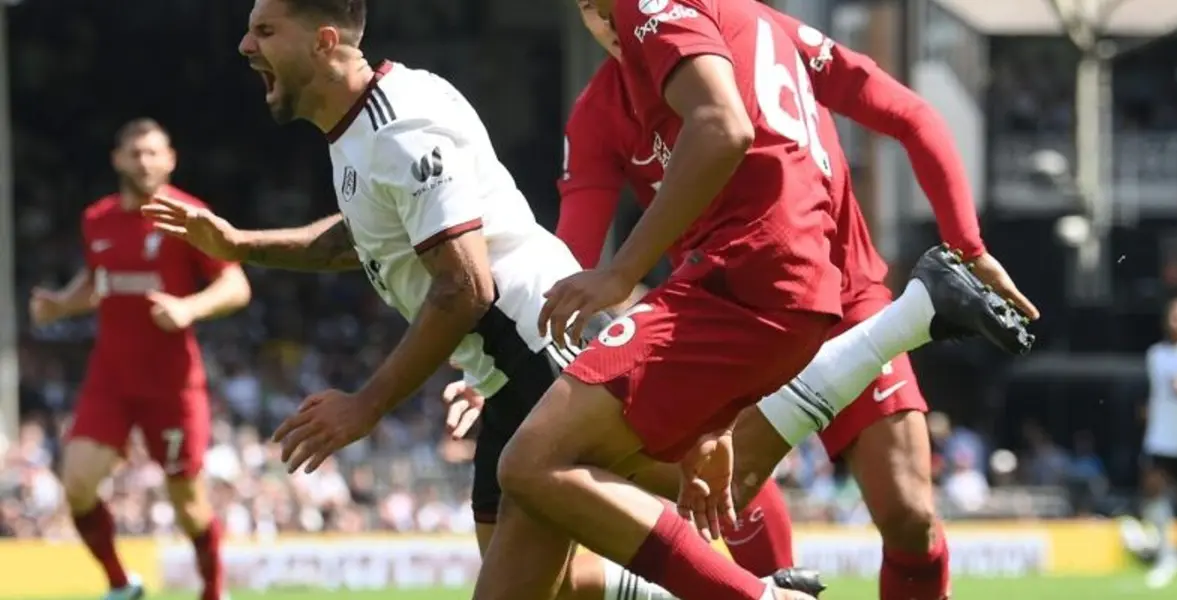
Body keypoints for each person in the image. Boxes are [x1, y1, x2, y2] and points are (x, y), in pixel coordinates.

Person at [141, 1, 818, 596]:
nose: (244, 46)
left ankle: (766, 584)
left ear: (324, 41)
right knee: (564, 577)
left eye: (264, 29)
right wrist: (239, 244)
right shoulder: (361, 129)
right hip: (508, 373)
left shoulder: (399, 128)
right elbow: (365, 240)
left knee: (671, 496)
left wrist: (366, 405)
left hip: (540, 350)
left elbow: (465, 287)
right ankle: (763, 581)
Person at [454, 1, 1036, 598]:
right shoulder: (604, 108)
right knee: (700, 482)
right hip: (725, 298)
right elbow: (573, 252)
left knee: (908, 514)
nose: (603, 22)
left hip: (811, 290)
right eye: (585, 11)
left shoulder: (733, 26)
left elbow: (907, 113)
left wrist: (968, 243)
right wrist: (527, 346)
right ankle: (772, 588)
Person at [28, 118, 251, 600]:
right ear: (117, 159)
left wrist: (189, 307)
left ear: (170, 159)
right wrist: (60, 304)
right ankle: (121, 584)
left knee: (188, 506)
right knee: (77, 484)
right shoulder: (97, 219)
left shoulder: (189, 215)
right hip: (110, 378)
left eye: (153, 153)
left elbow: (236, 285)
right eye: (135, 153)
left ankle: (214, 591)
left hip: (171, 385)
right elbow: (98, 281)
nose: (144, 161)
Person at [1141, 297, 1177, 590]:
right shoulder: (1156, 354)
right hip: (1162, 440)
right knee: (1157, 499)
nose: (1176, 322)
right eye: (1173, 316)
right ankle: (1167, 558)